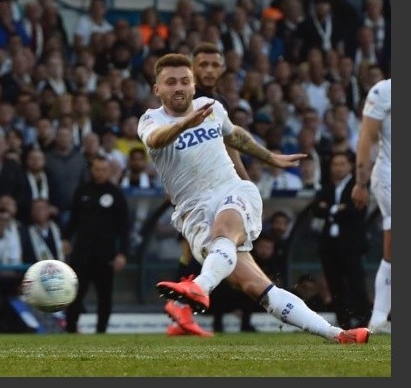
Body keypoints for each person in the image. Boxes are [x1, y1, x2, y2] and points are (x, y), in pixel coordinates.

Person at [140, 53, 370, 344]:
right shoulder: (150, 120)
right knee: (256, 286)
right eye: (170, 82)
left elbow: (234, 136)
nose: (179, 87)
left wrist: (270, 157)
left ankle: (199, 286)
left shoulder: (210, 108)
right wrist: (184, 125)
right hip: (193, 214)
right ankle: (336, 334)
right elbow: (155, 139)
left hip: (231, 191)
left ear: (193, 85)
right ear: (157, 89)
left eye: (185, 81)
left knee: (225, 230)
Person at [165, 42, 250, 338]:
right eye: (203, 65)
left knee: (213, 253)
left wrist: (243, 180)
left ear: (223, 68)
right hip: (195, 192)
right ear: (193, 68)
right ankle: (181, 314)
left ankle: (191, 317)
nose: (209, 70)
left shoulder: (217, 101)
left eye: (215, 65)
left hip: (219, 189)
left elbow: (228, 145)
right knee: (197, 252)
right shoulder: (185, 100)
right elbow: (168, 143)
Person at [63, 155, 130, 334]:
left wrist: (122, 253)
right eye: (96, 169)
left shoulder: (116, 194)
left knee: (104, 295)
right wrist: (66, 238)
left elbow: (124, 227)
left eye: (103, 170)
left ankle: (101, 331)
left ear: (108, 171)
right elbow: (73, 220)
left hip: (105, 253)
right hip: (82, 252)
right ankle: (70, 328)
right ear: (91, 170)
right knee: (75, 293)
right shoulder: (82, 191)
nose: (100, 173)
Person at [311, 151, 371, 328]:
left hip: (351, 245)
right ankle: (343, 322)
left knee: (355, 283)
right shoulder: (327, 187)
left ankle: (363, 320)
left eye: (341, 164)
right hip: (329, 245)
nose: (337, 168)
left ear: (350, 166)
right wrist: (337, 209)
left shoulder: (358, 186)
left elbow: (356, 211)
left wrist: (329, 209)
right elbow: (315, 209)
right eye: (334, 164)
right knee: (335, 284)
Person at [352, 78, 391, 334]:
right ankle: (377, 319)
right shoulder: (383, 91)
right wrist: (361, 183)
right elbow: (366, 138)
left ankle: (379, 318)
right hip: (391, 176)